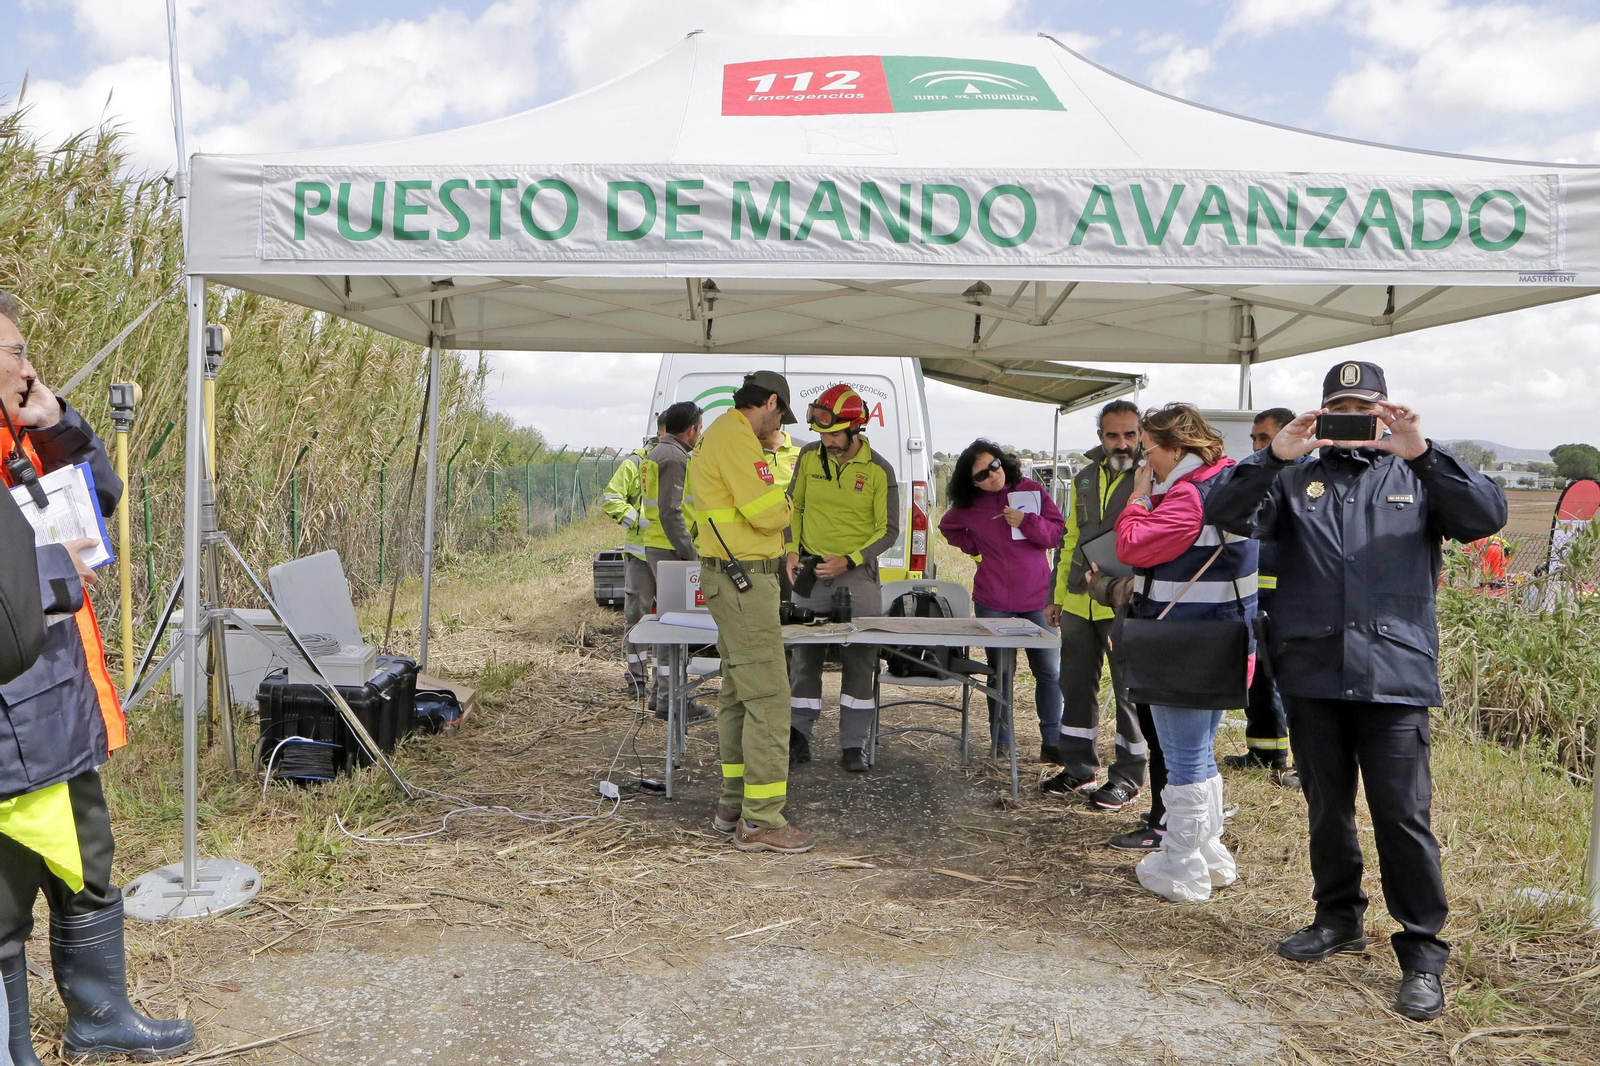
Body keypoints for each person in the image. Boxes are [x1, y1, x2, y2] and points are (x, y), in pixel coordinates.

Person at [1207, 360, 1507, 1022]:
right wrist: (1271, 454)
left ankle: (1423, 954)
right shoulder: (1292, 478)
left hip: (1394, 677)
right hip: (1312, 672)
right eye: (1338, 408)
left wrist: (1424, 454)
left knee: (1403, 817)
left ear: (1385, 411)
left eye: (1364, 407)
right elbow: (1222, 513)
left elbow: (1484, 518)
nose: (1352, 419)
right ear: (1320, 415)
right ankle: (1337, 917)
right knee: (1327, 808)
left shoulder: (1417, 474)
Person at [1, 291, 196, 1064]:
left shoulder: (22, 435)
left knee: (88, 862)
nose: (28, 366)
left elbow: (98, 503)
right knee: (8, 901)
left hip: (57, 703)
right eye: (15, 353)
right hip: (15, 726)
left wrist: (55, 424)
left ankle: (98, 1013)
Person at [1086, 404, 1257, 903]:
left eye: (1149, 449)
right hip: (1219, 637)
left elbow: (1136, 546)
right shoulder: (1225, 481)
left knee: (1183, 756)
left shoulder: (1189, 494)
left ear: (1176, 449)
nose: (1144, 459)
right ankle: (1208, 852)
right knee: (1200, 752)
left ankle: (1181, 862)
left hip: (1185, 640)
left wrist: (1138, 499)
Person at [690, 371, 813, 854]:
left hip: (732, 577)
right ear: (771, 402)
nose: (778, 426)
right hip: (745, 580)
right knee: (769, 697)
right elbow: (766, 513)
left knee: (740, 693)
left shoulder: (721, 434)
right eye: (780, 416)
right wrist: (787, 508)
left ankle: (733, 805)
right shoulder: (738, 439)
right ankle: (761, 821)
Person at [1041, 400, 1152, 813]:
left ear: (1141, 434)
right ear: (1100, 436)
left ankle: (1127, 777)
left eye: (1129, 434)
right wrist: (1056, 595)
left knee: (1125, 690)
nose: (1121, 444)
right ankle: (1079, 767)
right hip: (1077, 603)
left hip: (1124, 599)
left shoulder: (1152, 477)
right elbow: (1070, 539)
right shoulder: (1083, 477)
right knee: (1074, 685)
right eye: (1112, 435)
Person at [785, 385, 899, 773]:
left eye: (835, 435)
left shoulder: (880, 469)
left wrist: (848, 561)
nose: (827, 442)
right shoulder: (807, 456)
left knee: (860, 661)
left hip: (857, 576)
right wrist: (790, 550)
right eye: (822, 434)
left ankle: (854, 744)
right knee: (804, 661)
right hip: (810, 574)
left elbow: (889, 531)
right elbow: (793, 506)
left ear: (857, 430)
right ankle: (797, 738)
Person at [938, 440, 1064, 761]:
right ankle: (1002, 744)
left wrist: (1026, 522)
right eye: (981, 475)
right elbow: (948, 527)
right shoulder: (971, 505)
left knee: (1049, 672)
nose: (991, 476)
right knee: (1000, 674)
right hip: (993, 600)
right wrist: (974, 545)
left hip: (1038, 599)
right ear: (972, 483)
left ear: (1002, 462)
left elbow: (1057, 534)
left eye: (993, 466)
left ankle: (1053, 742)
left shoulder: (1031, 491)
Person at [1219, 407, 1302, 789]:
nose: (1256, 446)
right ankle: (1263, 750)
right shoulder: (1261, 476)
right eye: (1254, 439)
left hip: (1292, 597)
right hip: (1256, 595)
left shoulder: (1303, 479)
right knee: (1259, 678)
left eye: (1264, 439)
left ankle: (1303, 762)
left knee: (1293, 680)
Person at [641, 401, 708, 721]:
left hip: (659, 545)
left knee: (667, 625)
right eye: (701, 427)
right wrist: (690, 552)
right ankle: (672, 700)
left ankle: (660, 695)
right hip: (671, 548)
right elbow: (671, 511)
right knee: (678, 628)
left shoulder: (659, 452)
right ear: (692, 429)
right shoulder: (674, 457)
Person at [602, 416, 664, 700]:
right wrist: (640, 522)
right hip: (640, 557)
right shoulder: (637, 463)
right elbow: (611, 498)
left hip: (674, 557)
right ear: (662, 431)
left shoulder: (688, 460)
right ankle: (637, 679)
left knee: (670, 621)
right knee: (636, 618)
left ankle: (665, 682)